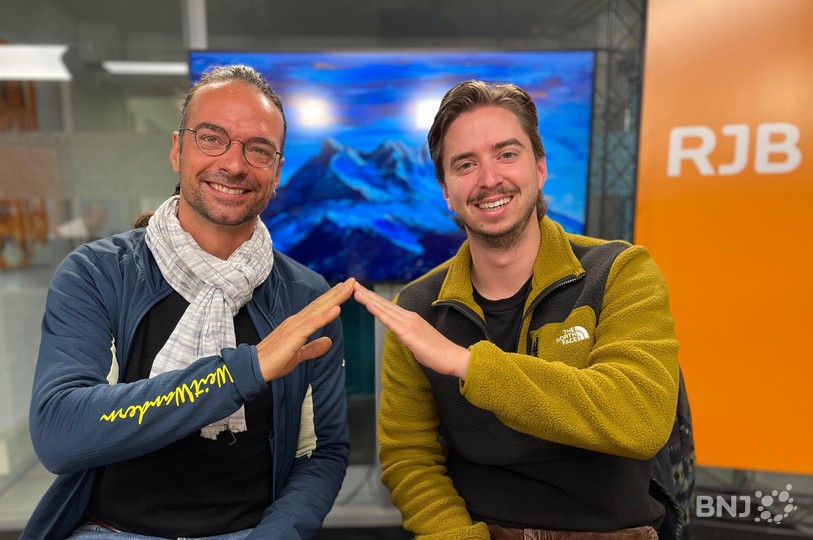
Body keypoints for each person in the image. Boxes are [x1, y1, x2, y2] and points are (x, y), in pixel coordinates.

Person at [24, 64, 355, 540]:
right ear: (178, 149)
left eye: (258, 149)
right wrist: (247, 370)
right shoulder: (98, 274)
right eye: (212, 138)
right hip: (110, 530)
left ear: (278, 172)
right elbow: (60, 433)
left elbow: (321, 454)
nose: (235, 164)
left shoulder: (306, 298)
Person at [352, 80, 682, 539]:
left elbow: (640, 417)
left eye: (506, 154)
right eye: (465, 164)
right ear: (446, 190)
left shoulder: (621, 271)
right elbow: (409, 458)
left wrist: (468, 365)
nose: (489, 179)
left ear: (540, 167)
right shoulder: (419, 307)